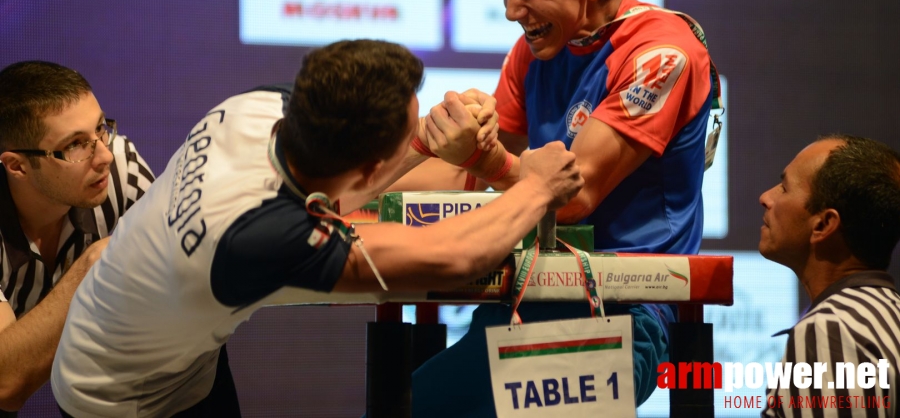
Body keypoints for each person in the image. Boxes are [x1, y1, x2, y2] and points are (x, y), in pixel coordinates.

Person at [51, 39, 583, 417]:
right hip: (118, 395)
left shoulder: (257, 107)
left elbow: (343, 177)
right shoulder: (257, 238)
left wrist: (425, 139)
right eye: (407, 133)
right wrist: (537, 186)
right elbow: (455, 255)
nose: (416, 136)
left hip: (173, 349)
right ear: (371, 167)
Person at [399, 0, 721, 416]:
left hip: (622, 315)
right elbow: (469, 174)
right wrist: (363, 183)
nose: (510, 10)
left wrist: (481, 159)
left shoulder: (661, 53)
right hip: (529, 302)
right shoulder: (536, 48)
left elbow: (573, 196)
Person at [0, 61, 154, 412]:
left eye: (101, 129)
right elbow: (5, 382)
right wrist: (90, 268)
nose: (104, 155)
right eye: (75, 145)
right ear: (17, 166)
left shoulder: (120, 169)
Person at [759, 135, 900, 418]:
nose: (766, 197)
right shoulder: (889, 315)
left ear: (823, 225)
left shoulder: (830, 329)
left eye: (784, 188)